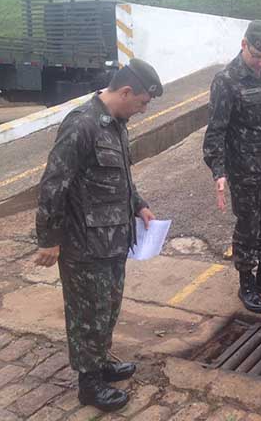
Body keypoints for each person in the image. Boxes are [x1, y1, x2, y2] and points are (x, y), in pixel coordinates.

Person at [33, 58, 163, 411]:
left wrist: (139, 204)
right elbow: (53, 184)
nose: (141, 110)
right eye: (141, 103)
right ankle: (89, 385)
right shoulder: (82, 125)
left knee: (107, 309)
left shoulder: (116, 125)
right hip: (83, 245)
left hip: (114, 241)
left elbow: (119, 177)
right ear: (125, 92)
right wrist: (48, 238)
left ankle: (101, 362)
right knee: (87, 314)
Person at [203, 20, 261, 314]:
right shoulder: (226, 81)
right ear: (244, 44)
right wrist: (218, 172)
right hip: (244, 171)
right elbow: (215, 131)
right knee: (248, 228)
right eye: (257, 56)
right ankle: (247, 283)